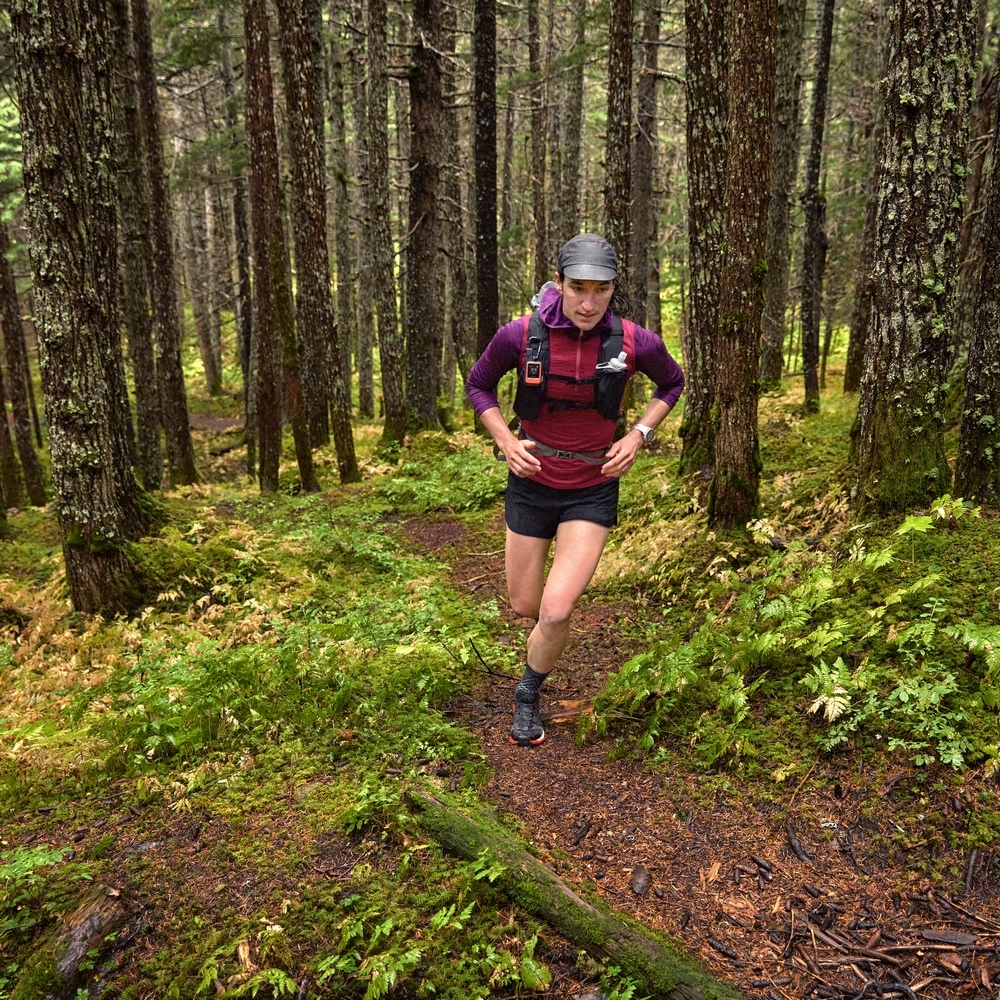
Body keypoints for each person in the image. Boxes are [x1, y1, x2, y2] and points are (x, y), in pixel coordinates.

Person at [465, 234, 685, 746]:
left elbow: (672, 383)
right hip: (531, 482)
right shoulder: (520, 334)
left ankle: (527, 693)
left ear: (613, 289)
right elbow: (478, 385)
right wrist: (505, 442)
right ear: (559, 283)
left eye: (601, 290)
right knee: (526, 605)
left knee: (557, 609)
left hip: (592, 485)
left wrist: (639, 433)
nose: (589, 303)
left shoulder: (634, 340)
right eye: (578, 288)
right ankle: (543, 640)